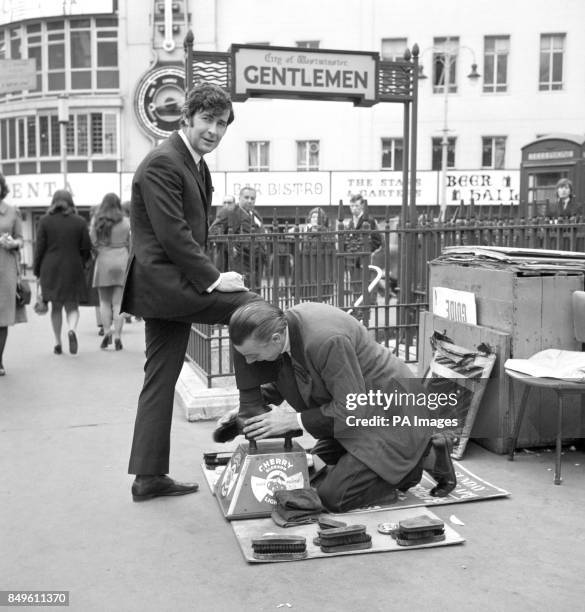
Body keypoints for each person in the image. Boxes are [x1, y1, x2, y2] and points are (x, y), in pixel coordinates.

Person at [121, 83, 269, 502]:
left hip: (165, 288)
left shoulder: (193, 163)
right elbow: (174, 235)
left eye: (221, 123)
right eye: (207, 120)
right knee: (251, 308)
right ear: (186, 118)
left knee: (160, 381)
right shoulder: (163, 163)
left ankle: (147, 477)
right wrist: (213, 278)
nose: (214, 130)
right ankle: (252, 409)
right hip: (170, 286)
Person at [223, 300, 457, 512]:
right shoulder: (285, 329)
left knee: (334, 497)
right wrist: (250, 406)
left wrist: (292, 420)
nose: (249, 362)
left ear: (275, 338)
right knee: (306, 474)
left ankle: (419, 463)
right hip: (359, 412)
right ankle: (409, 457)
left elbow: (352, 409)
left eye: (252, 355)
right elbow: (290, 378)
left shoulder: (325, 339)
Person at [33, 190, 91, 355]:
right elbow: (86, 247)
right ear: (71, 202)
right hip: (73, 267)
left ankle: (58, 343)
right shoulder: (80, 222)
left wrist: (37, 271)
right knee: (72, 305)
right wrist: (82, 262)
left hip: (50, 268)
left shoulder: (44, 221)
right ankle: (71, 329)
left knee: (56, 307)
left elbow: (39, 249)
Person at [90, 193, 131, 350]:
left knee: (104, 302)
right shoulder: (126, 221)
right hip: (121, 259)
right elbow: (130, 241)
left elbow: (92, 241)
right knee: (118, 303)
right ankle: (118, 336)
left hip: (103, 260)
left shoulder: (97, 220)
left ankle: (107, 332)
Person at [209, 186, 266, 291]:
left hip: (256, 261)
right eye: (246, 197)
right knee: (242, 292)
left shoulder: (256, 214)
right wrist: (230, 245)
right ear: (239, 198)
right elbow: (214, 231)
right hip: (238, 261)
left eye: (252, 198)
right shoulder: (229, 211)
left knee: (255, 291)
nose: (250, 201)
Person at [0, 174, 25, 376]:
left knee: (2, 316)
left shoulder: (12, 212)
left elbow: (20, 239)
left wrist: (13, 243)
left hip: (5, 269)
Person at [343, 194, 383, 323]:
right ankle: (357, 315)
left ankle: (364, 317)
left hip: (363, 261)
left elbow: (377, 240)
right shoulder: (350, 222)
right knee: (355, 289)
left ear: (362, 206)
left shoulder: (369, 220)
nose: (353, 208)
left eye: (356, 205)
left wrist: (365, 253)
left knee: (364, 289)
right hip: (352, 261)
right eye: (351, 205)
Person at [209, 195, 237, 271]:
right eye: (225, 203)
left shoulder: (234, 213)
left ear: (234, 204)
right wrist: (229, 245)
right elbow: (213, 230)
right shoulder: (224, 212)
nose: (226, 205)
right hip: (223, 250)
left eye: (229, 202)